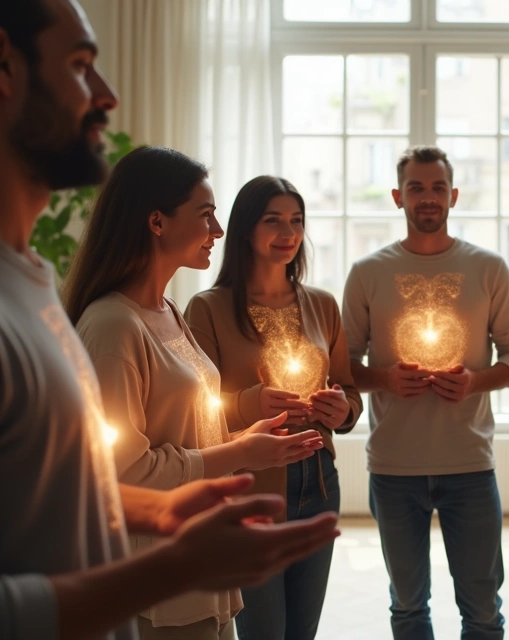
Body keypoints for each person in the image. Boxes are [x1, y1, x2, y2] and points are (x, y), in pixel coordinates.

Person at [0, 1, 338, 638]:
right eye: (80, 67)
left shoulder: (18, 275)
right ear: (1, 64)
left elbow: (35, 492)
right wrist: (168, 567)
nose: (105, 96)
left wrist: (152, 511)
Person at [64, 148, 328, 639]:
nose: (218, 231)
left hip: (200, 561)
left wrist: (243, 436)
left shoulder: (166, 310)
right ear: (157, 221)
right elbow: (124, 471)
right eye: (206, 216)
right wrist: (239, 451)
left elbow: (186, 431)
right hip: (157, 575)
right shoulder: (113, 325)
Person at [341, 145, 509, 640]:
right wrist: (384, 379)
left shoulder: (488, 269)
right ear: (397, 197)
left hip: (469, 461)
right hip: (393, 465)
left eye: (438, 188)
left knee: (484, 608)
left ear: (454, 195)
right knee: (406, 606)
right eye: (417, 188)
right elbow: (341, 368)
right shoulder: (367, 273)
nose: (428, 197)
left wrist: (475, 382)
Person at [185, 175, 363, 640]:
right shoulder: (208, 309)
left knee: (302, 631)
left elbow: (349, 391)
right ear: (245, 228)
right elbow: (192, 412)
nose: (288, 233)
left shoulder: (322, 304)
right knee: (265, 630)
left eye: (296, 221)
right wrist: (250, 403)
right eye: (273, 220)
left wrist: (340, 411)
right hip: (250, 488)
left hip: (320, 481)